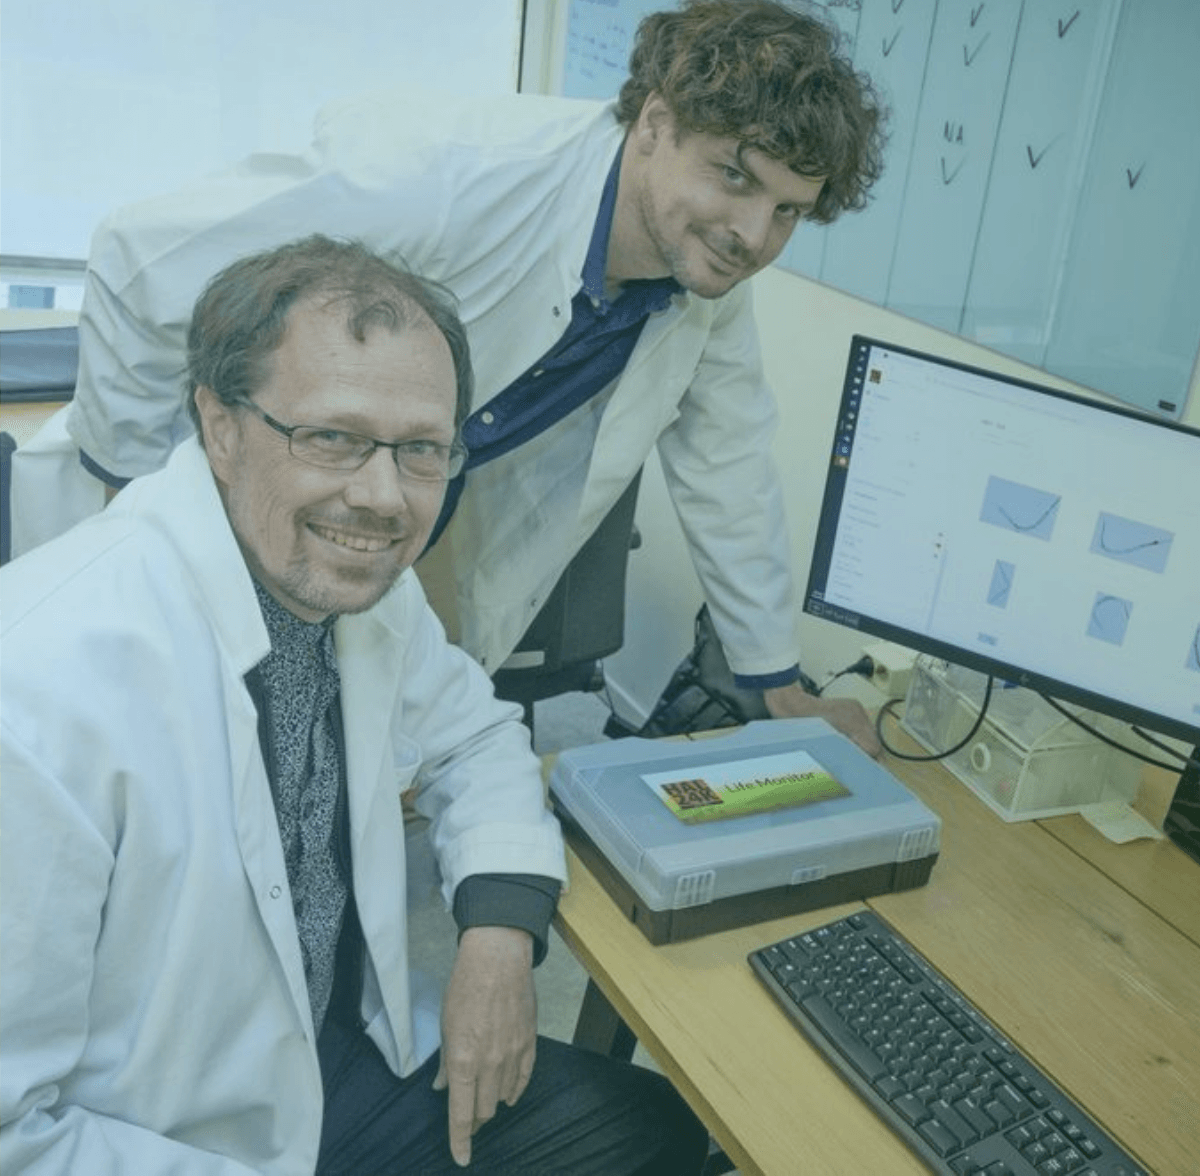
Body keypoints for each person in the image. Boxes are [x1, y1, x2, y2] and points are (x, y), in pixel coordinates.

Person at [10, 0, 887, 754]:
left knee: (312, 767)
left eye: (787, 211)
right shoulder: (446, 178)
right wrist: (128, 499)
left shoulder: (703, 288)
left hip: (380, 526)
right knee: (111, 751)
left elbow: (730, 473)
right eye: (732, 177)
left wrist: (774, 684)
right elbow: (136, 257)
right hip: (198, 488)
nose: (753, 234)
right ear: (655, 125)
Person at [0, 236, 709, 1174]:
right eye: (331, 437)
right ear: (219, 424)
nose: (382, 499)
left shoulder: (348, 585)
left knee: (648, 1127)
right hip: (155, 1132)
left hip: (321, 1066)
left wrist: (497, 938)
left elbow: (479, 736)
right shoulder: (42, 685)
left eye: (420, 450)